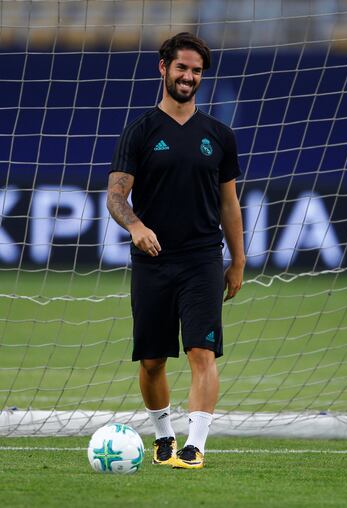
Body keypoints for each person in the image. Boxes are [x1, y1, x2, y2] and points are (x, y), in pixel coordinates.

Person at [107, 32, 245, 469]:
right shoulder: (140, 131)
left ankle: (195, 445)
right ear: (162, 68)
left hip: (203, 258)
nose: (189, 77)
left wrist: (238, 259)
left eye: (197, 71)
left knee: (202, 352)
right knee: (151, 361)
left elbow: (229, 202)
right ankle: (164, 434)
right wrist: (136, 225)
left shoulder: (219, 136)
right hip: (152, 261)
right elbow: (115, 197)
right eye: (182, 68)